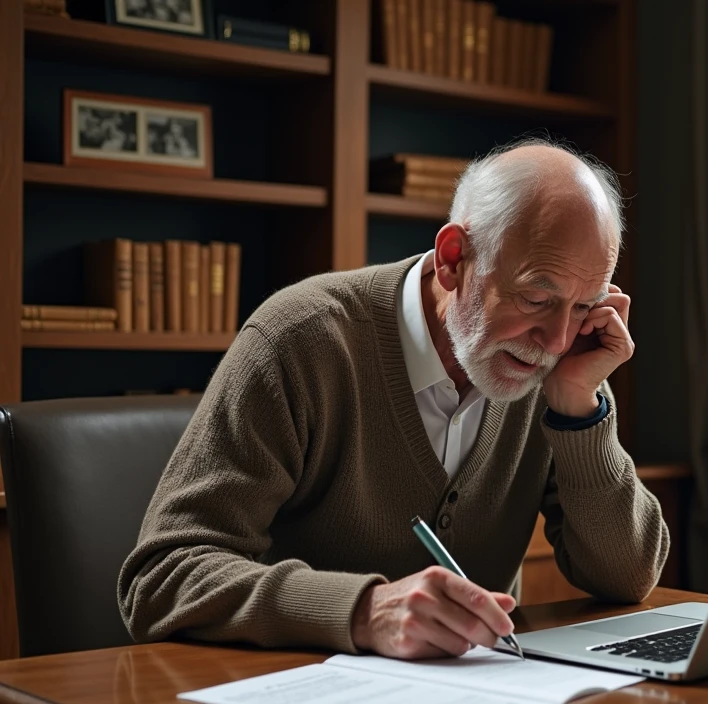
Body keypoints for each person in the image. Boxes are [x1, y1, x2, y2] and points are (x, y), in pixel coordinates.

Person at [117, 138, 669, 660]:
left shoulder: (554, 368)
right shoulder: (301, 340)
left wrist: (579, 407)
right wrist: (363, 612)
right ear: (453, 258)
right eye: (535, 297)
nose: (554, 340)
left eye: (582, 307)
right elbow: (163, 577)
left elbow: (625, 577)